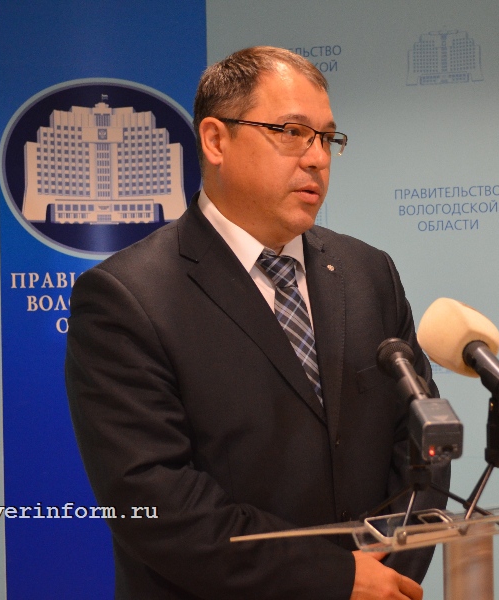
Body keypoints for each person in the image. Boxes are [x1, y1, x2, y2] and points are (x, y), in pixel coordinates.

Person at [65, 46, 448, 600]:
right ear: (215, 140)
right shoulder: (126, 298)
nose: (317, 158)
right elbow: (156, 504)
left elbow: (422, 443)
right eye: (292, 132)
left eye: (327, 138)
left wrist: (391, 573)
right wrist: (337, 580)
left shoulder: (369, 272)